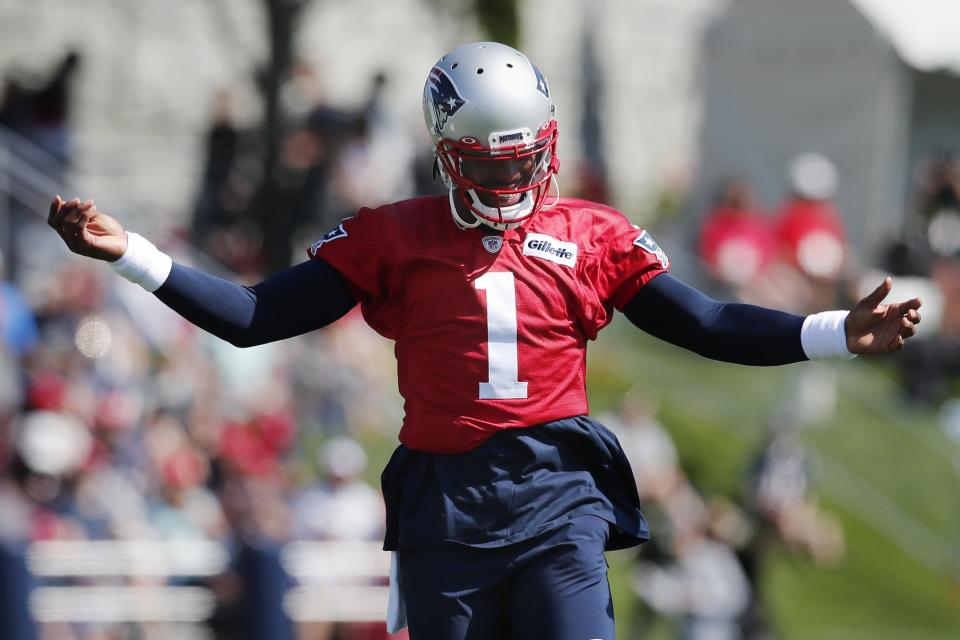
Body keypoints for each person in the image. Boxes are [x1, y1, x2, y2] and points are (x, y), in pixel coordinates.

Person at [47, 42, 921, 640]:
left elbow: (705, 321)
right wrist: (133, 254)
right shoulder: (393, 236)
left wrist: (835, 332)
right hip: (446, 503)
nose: (508, 180)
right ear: (445, 150)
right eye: (487, 162)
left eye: (520, 161)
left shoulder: (593, 233)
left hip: (556, 492)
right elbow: (253, 318)